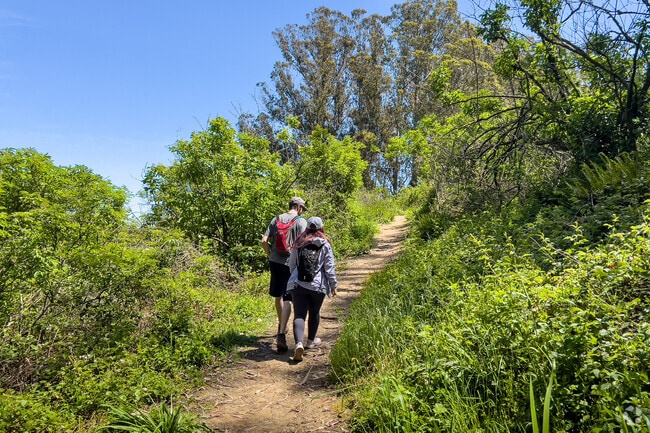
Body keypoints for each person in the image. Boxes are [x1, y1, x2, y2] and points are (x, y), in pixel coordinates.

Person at [286, 216, 338, 362]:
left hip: (299, 284)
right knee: (314, 312)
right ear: (321, 228)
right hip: (317, 286)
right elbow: (329, 268)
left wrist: (295, 277)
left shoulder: (299, 243)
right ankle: (310, 341)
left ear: (307, 228)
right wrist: (333, 285)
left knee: (299, 314)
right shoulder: (325, 244)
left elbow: (292, 264)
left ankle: (298, 344)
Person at [261, 197, 308, 352]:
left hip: (274, 261)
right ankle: (282, 332)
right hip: (290, 263)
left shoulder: (276, 219)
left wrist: (270, 255)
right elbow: (303, 244)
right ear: (299, 207)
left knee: (277, 296)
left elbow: (264, 241)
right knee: (288, 297)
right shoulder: (300, 221)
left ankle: (282, 325)